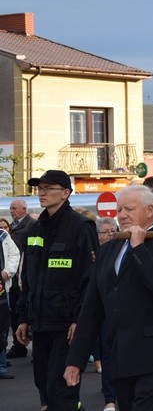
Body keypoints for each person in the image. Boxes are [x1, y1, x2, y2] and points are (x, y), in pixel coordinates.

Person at [64, 185, 153, 411]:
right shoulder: (107, 250)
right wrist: (76, 360)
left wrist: (138, 248)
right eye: (119, 209)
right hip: (121, 358)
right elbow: (92, 309)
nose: (122, 215)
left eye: (129, 209)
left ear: (149, 210)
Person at [16, 170, 98, 411]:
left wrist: (78, 319)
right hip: (40, 324)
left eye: (49, 188)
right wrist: (22, 318)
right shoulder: (35, 229)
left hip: (66, 326)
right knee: (45, 389)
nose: (42, 192)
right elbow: (27, 278)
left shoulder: (81, 227)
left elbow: (90, 279)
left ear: (65, 193)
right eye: (40, 188)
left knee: (61, 390)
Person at [94, 216, 119, 411]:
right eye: (105, 232)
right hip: (103, 313)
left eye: (113, 231)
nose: (110, 234)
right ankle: (110, 399)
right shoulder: (96, 254)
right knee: (108, 355)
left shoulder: (122, 250)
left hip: (122, 312)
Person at [7, 198, 37, 360]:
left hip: (23, 275)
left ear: (24, 209)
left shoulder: (30, 226)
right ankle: (19, 345)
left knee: (24, 310)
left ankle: (23, 345)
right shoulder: (14, 226)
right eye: (11, 208)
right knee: (15, 312)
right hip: (14, 276)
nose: (11, 210)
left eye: (14, 208)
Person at [0, 223, 20, 380]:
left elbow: (15, 254)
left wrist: (8, 272)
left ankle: (1, 367)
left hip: (1, 289)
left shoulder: (3, 235)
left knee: (2, 327)